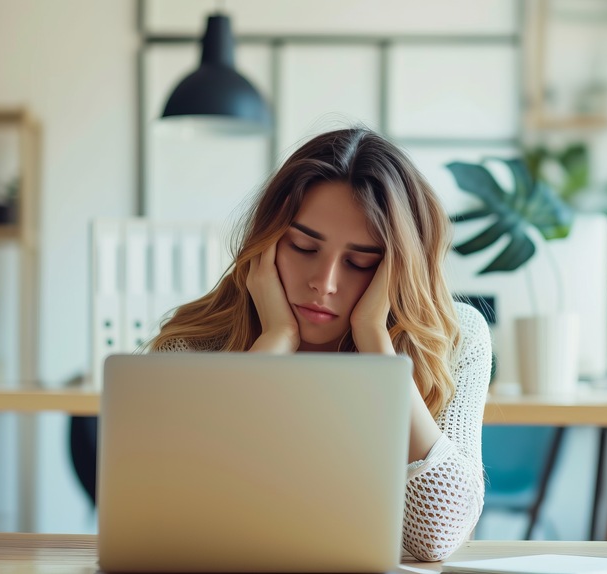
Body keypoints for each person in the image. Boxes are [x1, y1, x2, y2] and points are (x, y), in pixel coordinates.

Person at [149, 127, 492, 561]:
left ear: (398, 270)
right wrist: (275, 341)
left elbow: (437, 535)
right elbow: (178, 518)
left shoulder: (455, 339)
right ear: (266, 243)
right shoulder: (194, 348)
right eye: (303, 246)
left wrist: (375, 344)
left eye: (360, 263)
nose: (324, 283)